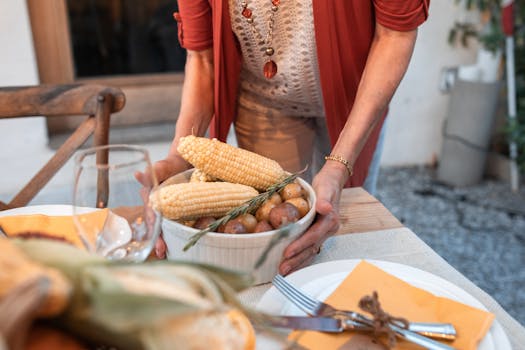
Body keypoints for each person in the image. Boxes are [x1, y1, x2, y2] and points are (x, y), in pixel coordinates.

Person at [151, 1, 430, 275]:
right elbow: (202, 57)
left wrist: (338, 167)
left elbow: (395, 34)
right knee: (278, 244)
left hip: (355, 96)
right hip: (265, 102)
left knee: (342, 229)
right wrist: (179, 155)